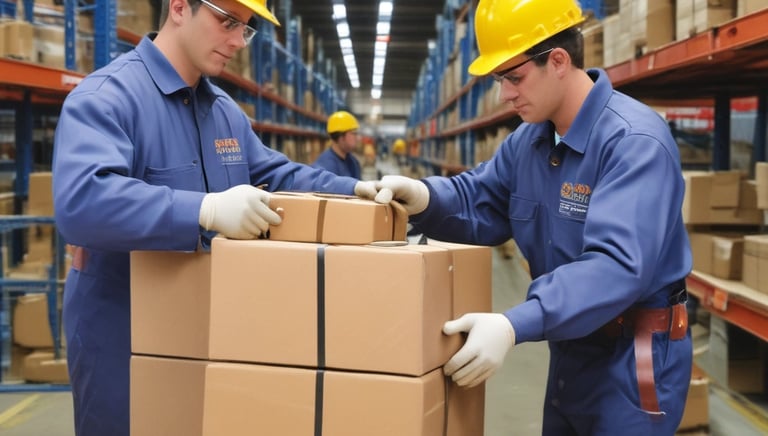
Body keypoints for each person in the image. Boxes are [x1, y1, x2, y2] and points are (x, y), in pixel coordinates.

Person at [51, 1, 376, 434]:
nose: (239, 41)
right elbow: (82, 202)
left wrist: (355, 189)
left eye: (246, 28)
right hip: (119, 333)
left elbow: (276, 172)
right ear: (180, 7)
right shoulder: (108, 98)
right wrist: (204, 210)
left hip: (209, 323)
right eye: (228, 22)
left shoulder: (223, 111)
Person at [374, 0, 693, 434]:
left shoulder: (633, 142)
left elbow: (615, 267)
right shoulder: (529, 141)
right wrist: (426, 196)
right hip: (571, 347)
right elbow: (481, 198)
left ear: (558, 61)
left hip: (631, 358)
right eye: (499, 80)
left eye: (513, 77)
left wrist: (513, 324)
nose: (505, 94)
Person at [312, 110, 362, 178]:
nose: (358, 138)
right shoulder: (325, 169)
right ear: (340, 137)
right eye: (354, 134)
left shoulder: (353, 162)